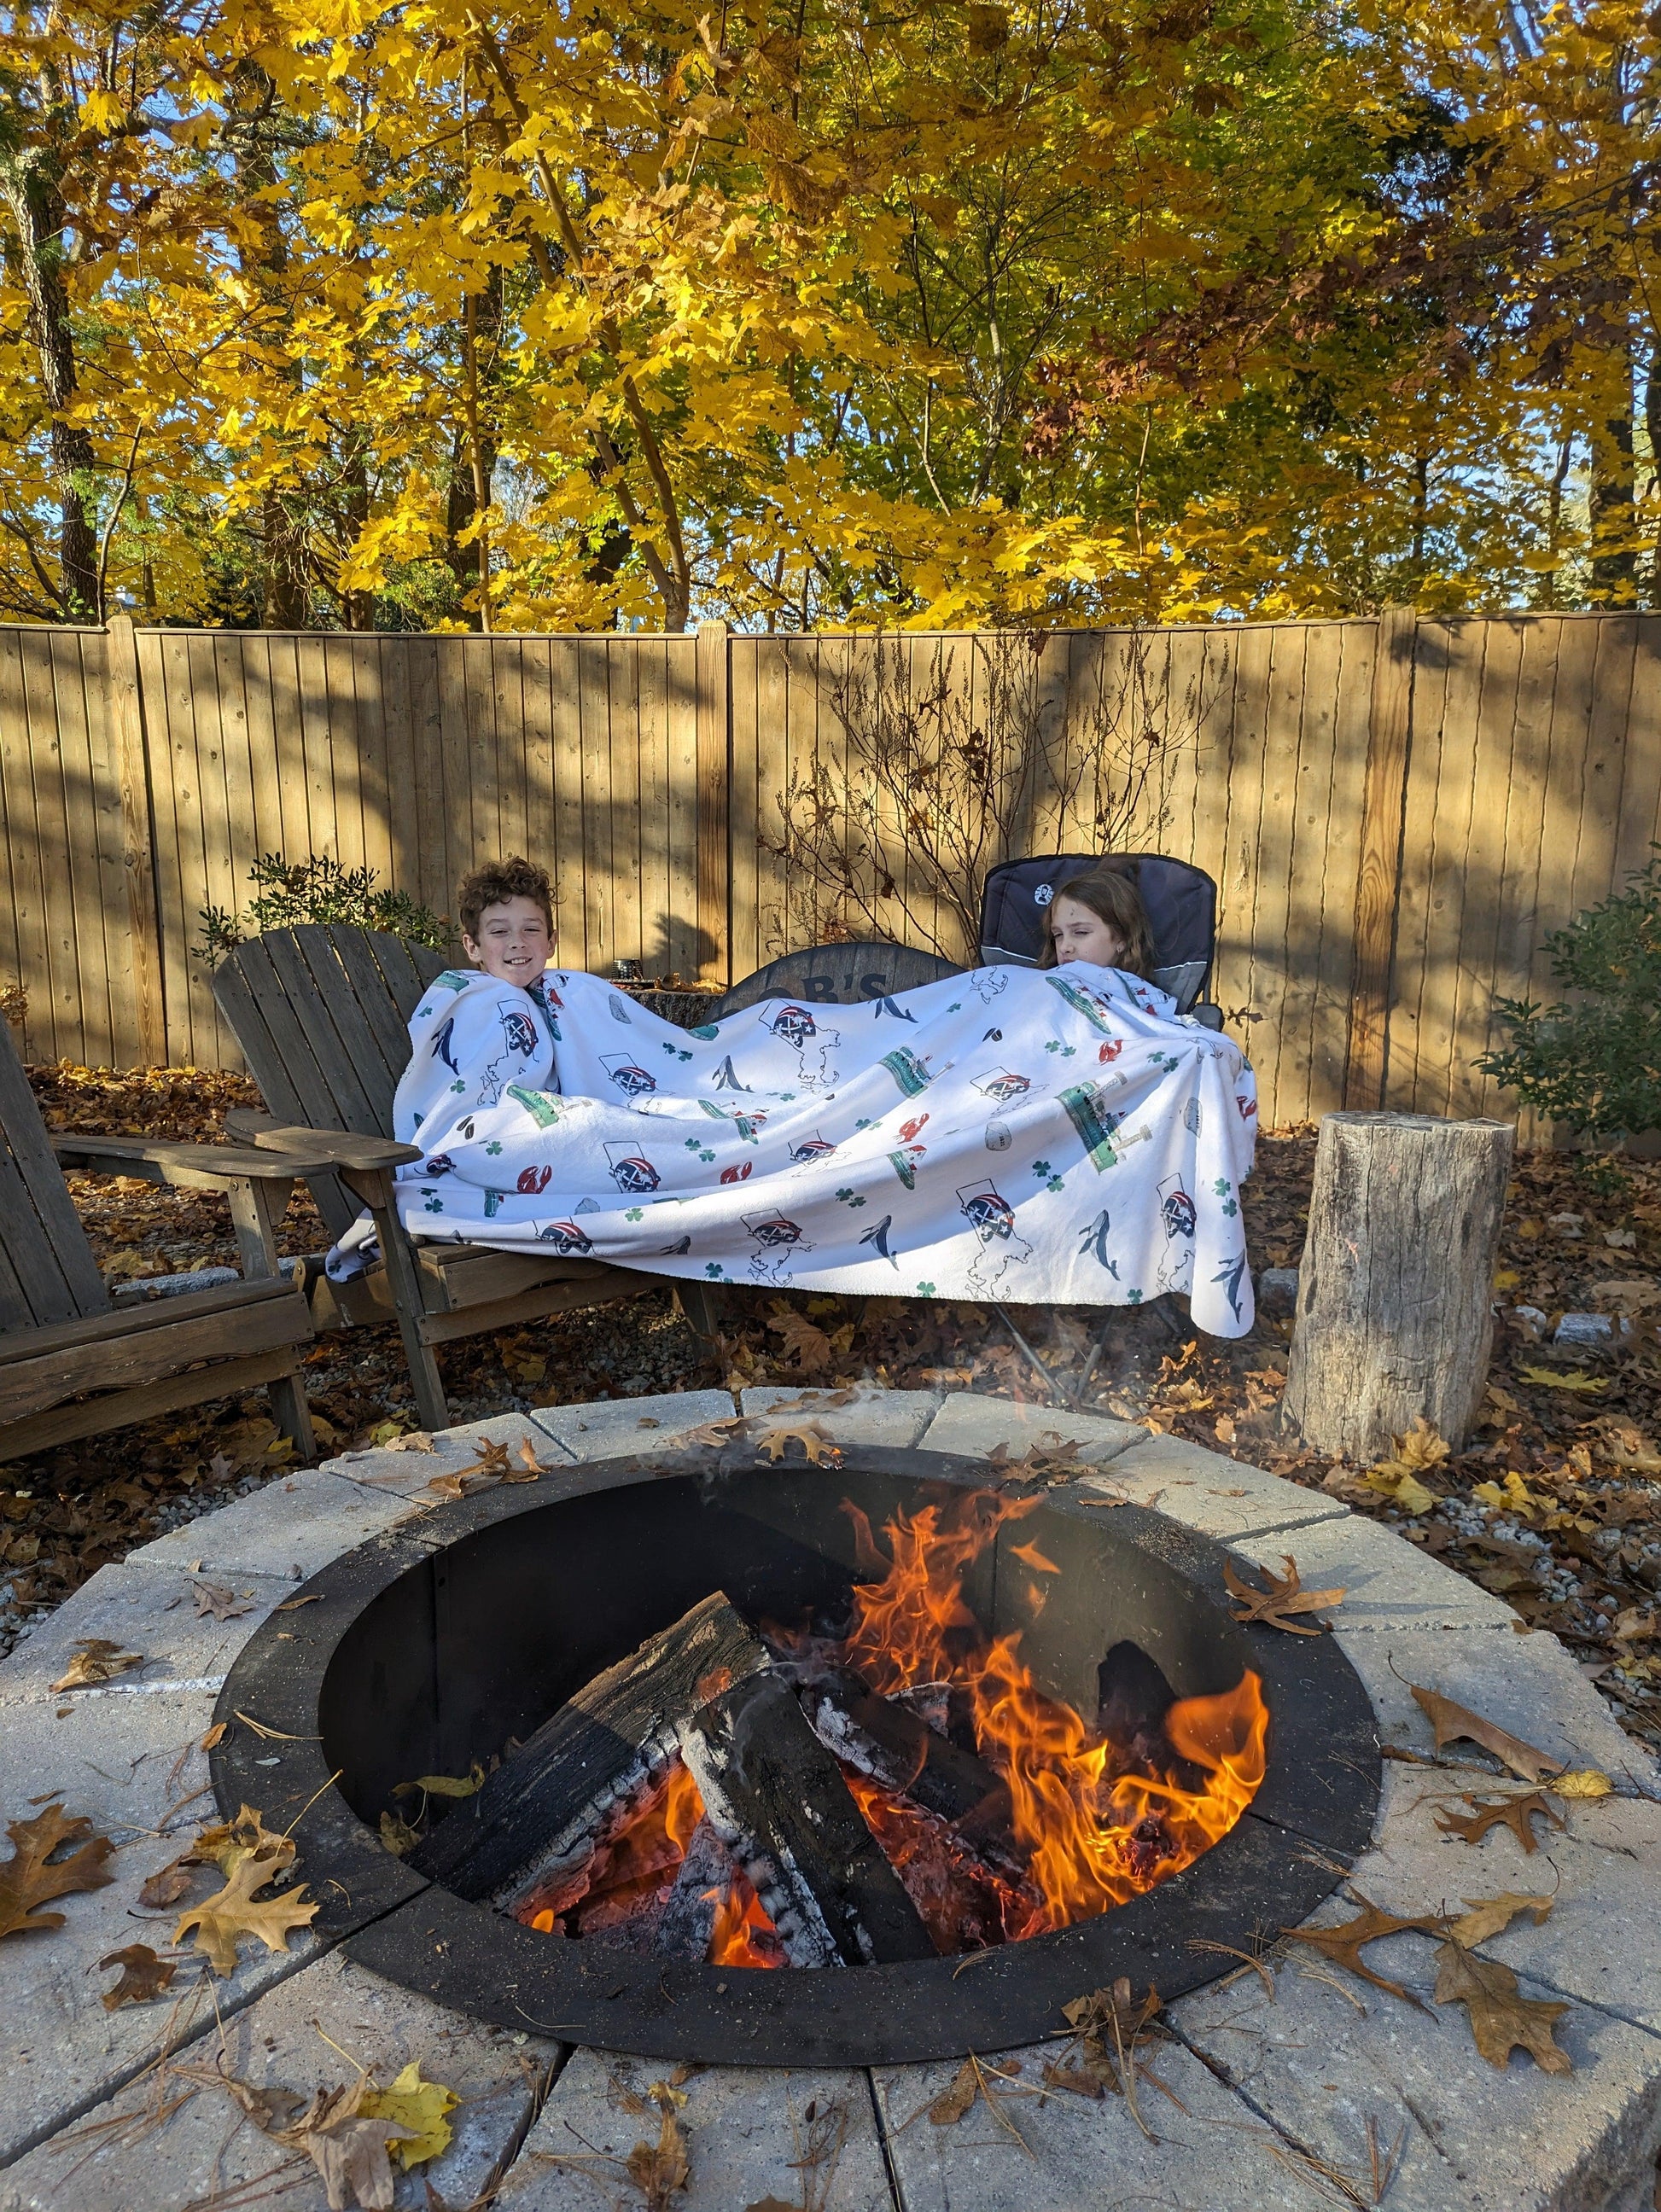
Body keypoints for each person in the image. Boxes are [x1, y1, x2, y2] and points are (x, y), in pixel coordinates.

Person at [1040, 864, 1156, 976]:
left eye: (1081, 932)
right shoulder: (1038, 987)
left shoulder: (1146, 995)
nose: (1064, 948)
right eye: (1058, 935)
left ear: (1122, 938)